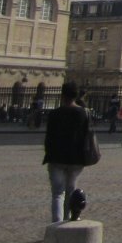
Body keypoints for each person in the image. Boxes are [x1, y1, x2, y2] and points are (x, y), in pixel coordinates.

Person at [43, 82, 91, 222]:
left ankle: (57, 223)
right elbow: (87, 136)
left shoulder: (54, 114)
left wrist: (49, 153)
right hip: (76, 159)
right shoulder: (84, 113)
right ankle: (67, 220)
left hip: (56, 158)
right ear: (76, 96)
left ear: (62, 95)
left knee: (57, 194)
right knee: (70, 190)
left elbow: (49, 138)